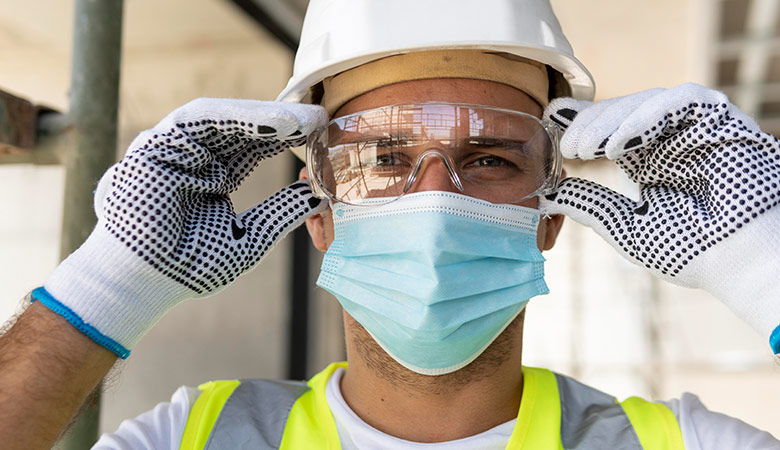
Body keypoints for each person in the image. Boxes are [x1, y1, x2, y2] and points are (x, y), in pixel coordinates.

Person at [0, 0, 778, 448]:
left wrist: (764, 269)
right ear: (319, 213)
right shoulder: (190, 440)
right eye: (383, 155)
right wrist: (110, 283)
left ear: (551, 217)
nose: (432, 201)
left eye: (490, 159)